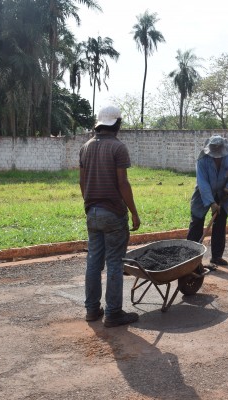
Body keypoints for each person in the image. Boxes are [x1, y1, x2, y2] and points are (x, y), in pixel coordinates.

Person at [79, 105, 141, 328]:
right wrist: (133, 212)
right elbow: (122, 183)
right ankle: (113, 313)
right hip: (113, 213)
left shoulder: (85, 147)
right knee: (115, 262)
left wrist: (89, 203)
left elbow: (81, 181)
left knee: (93, 263)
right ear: (117, 124)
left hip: (92, 213)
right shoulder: (118, 147)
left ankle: (92, 310)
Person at [186, 135, 228, 266]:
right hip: (203, 193)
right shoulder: (202, 159)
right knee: (197, 222)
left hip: (223, 193)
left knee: (220, 224)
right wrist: (211, 203)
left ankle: (216, 256)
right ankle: (191, 258)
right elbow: (202, 182)